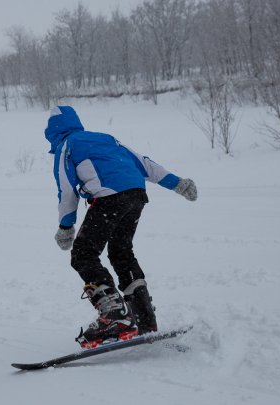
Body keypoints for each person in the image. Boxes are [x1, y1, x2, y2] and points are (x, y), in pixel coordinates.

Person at [44, 105, 198, 349]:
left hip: (109, 198)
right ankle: (144, 318)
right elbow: (143, 164)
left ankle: (115, 316)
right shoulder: (106, 138)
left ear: (51, 133)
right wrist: (177, 183)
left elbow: (66, 190)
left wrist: (66, 227)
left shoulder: (66, 146)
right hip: (136, 194)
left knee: (83, 254)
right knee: (121, 251)